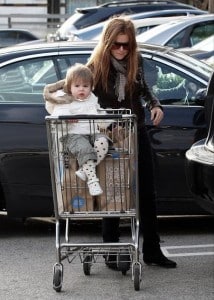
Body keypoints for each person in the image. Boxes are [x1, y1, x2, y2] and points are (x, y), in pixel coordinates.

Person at [86, 17, 177, 269]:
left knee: (147, 192)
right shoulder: (94, 68)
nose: (122, 50)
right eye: (117, 45)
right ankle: (111, 251)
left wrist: (155, 105)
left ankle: (152, 250)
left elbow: (144, 90)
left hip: (136, 131)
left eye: (127, 45)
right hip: (109, 137)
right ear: (107, 43)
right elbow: (82, 99)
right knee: (113, 193)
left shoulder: (136, 62)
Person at [43, 63, 109, 196]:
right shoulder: (64, 100)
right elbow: (57, 116)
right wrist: (66, 120)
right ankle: (92, 181)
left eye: (86, 86)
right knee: (85, 149)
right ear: (69, 87)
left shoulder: (92, 98)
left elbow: (97, 111)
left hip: (91, 131)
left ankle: (85, 170)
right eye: (77, 86)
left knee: (103, 142)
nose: (82, 89)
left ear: (91, 87)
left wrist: (105, 117)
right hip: (72, 134)